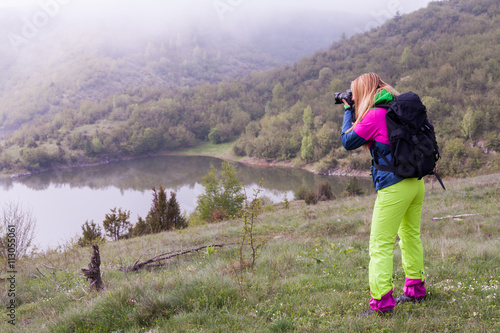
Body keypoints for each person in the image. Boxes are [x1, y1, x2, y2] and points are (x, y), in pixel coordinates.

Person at [340, 73, 426, 316]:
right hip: (415, 182)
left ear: (362, 92)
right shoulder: (398, 109)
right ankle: (415, 289)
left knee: (380, 244)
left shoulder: (376, 115)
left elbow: (348, 141)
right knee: (410, 236)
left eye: (354, 93)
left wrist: (348, 111)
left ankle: (381, 303)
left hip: (394, 186)